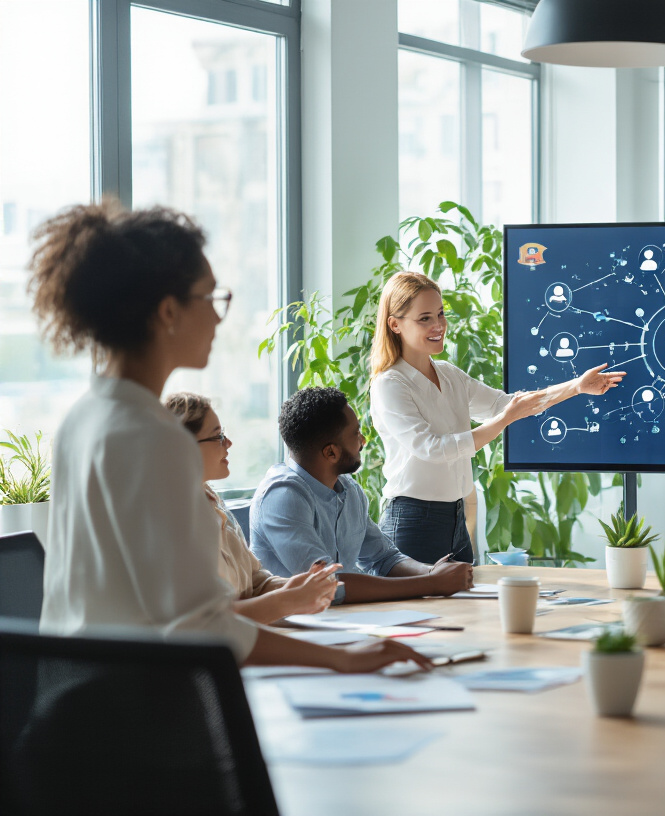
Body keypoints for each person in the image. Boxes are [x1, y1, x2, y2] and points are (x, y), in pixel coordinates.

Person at [30, 200, 424, 673]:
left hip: (79, 698)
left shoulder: (85, 417)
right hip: (133, 712)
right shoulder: (153, 438)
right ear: (168, 311)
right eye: (212, 299)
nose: (220, 318)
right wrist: (343, 658)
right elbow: (202, 628)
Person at [368, 271, 625, 563]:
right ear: (394, 324)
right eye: (424, 318)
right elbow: (432, 449)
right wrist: (503, 420)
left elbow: (507, 404)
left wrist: (576, 387)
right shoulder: (390, 384)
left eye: (440, 314)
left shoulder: (449, 375)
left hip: (455, 520)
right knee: (419, 610)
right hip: (413, 523)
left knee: (462, 610)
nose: (439, 325)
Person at [251, 386, 476, 602]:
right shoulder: (283, 497)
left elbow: (385, 559)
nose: (363, 441)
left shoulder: (348, 489)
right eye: (356, 433)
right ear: (331, 452)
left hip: (342, 621)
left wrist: (434, 572)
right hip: (293, 629)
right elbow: (329, 585)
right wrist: (432, 584)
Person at [165, 391, 341, 624]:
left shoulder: (212, 500)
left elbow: (256, 582)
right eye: (218, 436)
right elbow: (209, 620)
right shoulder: (171, 519)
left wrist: (294, 587)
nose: (228, 443)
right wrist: (290, 600)